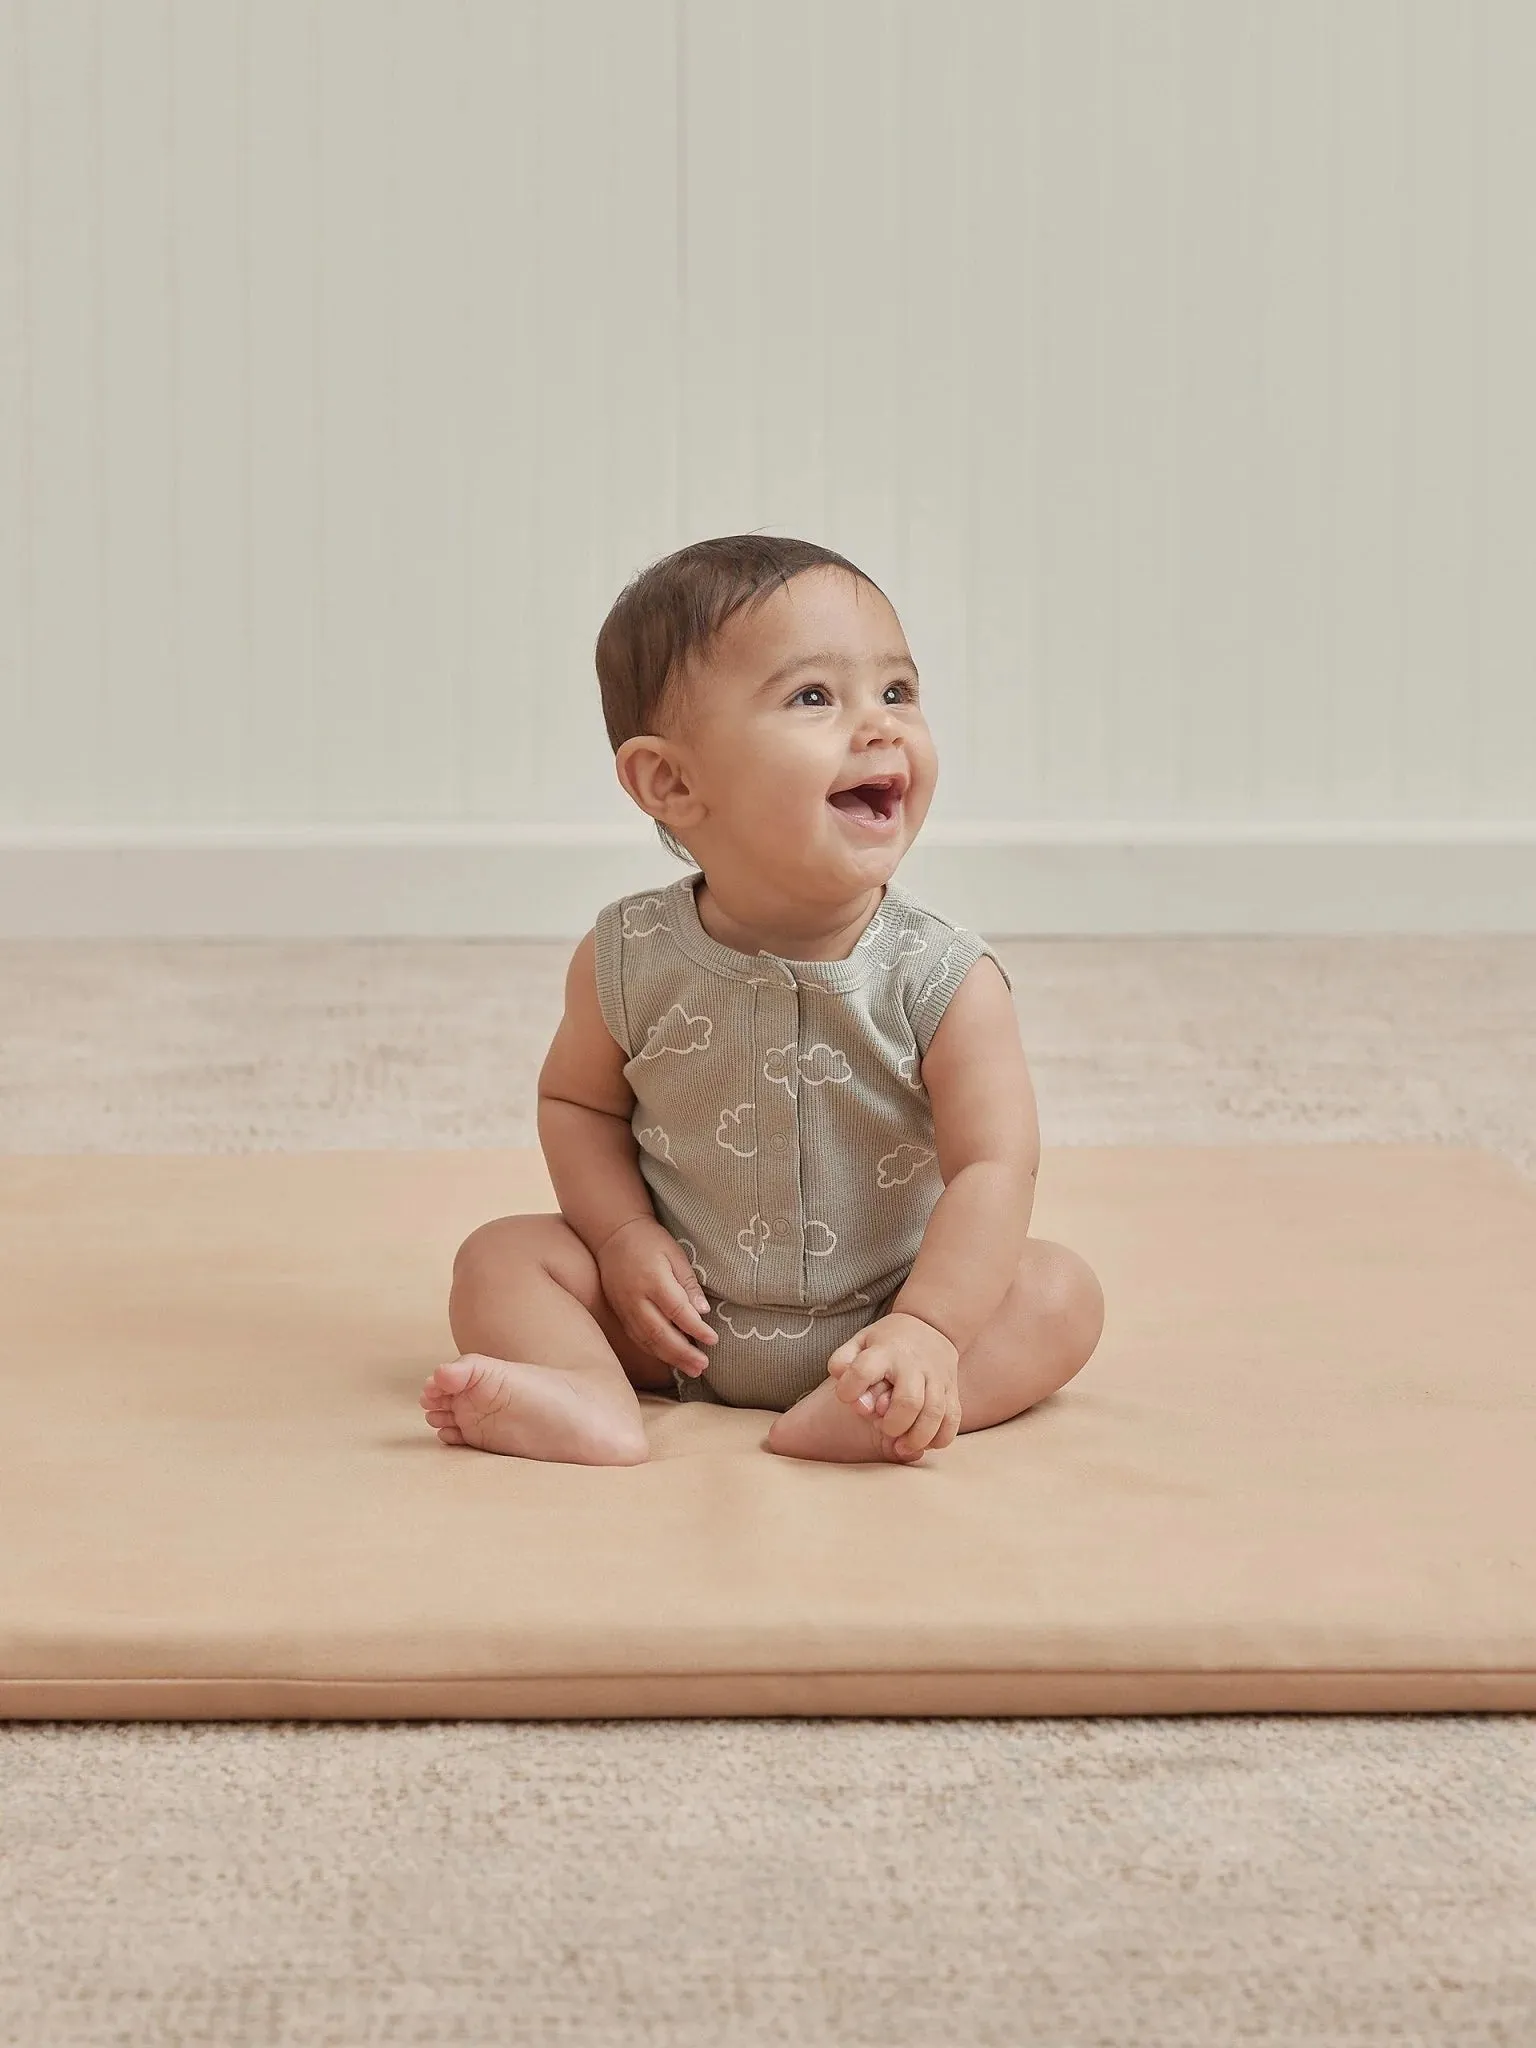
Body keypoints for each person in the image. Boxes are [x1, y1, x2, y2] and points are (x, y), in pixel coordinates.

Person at [419, 535, 1104, 1466]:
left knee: (1061, 1294)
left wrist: (932, 1328)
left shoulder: (942, 977)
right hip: (677, 1322)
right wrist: (621, 1239)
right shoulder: (631, 959)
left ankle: (888, 1402)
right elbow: (575, 1105)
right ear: (670, 782)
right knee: (497, 1260)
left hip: (883, 1314)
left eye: (897, 692)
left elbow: (995, 1167)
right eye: (815, 697)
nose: (881, 726)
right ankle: (590, 1394)